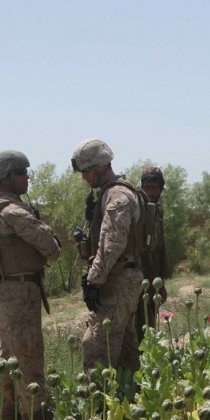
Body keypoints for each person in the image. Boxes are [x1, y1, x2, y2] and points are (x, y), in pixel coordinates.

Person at [0, 150, 61, 420]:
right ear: (5, 178)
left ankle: (5, 417)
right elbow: (51, 248)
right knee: (27, 355)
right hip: (19, 293)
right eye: (21, 173)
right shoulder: (14, 212)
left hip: (7, 291)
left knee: (6, 354)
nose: (26, 177)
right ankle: (36, 419)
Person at [72, 138, 143, 380]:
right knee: (124, 348)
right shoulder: (109, 194)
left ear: (102, 166)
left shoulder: (117, 196)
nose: (84, 178)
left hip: (116, 280)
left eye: (87, 171)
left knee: (96, 348)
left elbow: (112, 244)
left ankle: (99, 409)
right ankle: (130, 401)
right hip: (121, 278)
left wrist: (94, 280)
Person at [135, 166, 171, 341]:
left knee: (150, 322)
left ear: (161, 190)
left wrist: (161, 280)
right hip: (139, 277)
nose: (149, 191)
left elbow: (161, 246)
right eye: (146, 187)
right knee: (140, 324)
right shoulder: (136, 210)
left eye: (153, 188)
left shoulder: (157, 211)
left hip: (154, 276)